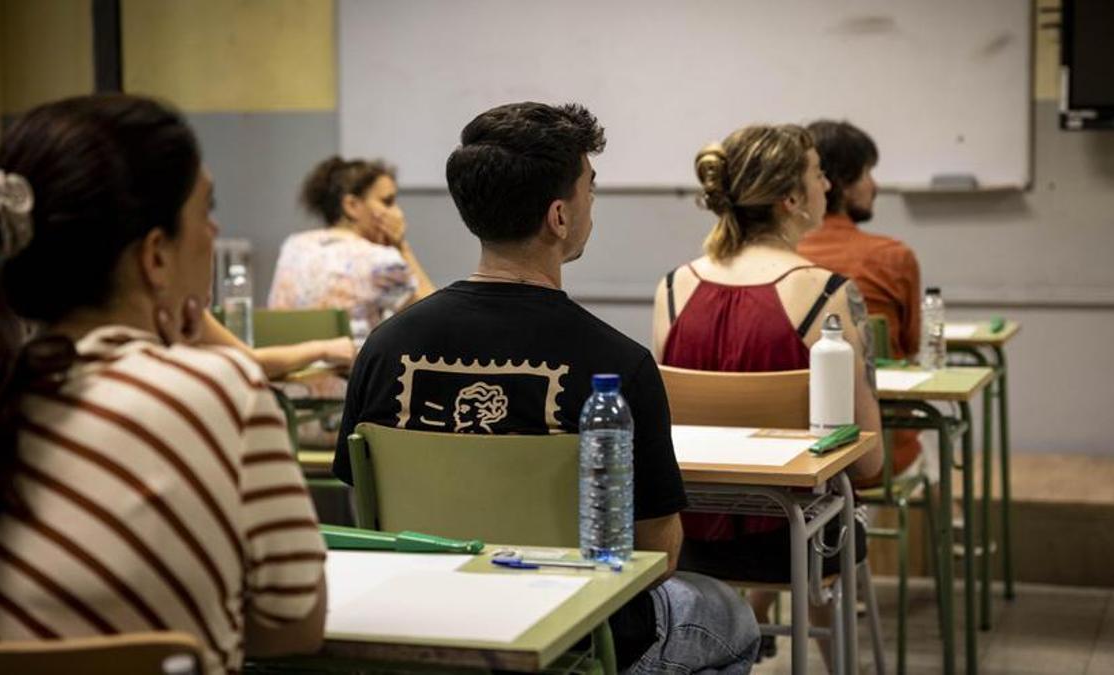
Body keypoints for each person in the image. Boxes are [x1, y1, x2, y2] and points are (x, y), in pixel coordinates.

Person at [334, 101, 759, 674]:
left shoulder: (383, 349)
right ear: (559, 217)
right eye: (590, 187)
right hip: (581, 640)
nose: (592, 204)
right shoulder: (619, 366)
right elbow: (655, 555)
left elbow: (365, 507)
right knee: (730, 617)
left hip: (427, 629)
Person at [0, 95, 326, 675]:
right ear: (155, 255)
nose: (215, 229)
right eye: (206, 210)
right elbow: (295, 624)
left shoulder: (15, 386)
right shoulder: (220, 391)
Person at [651, 124, 884, 656]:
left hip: (687, 539)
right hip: (801, 542)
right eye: (818, 174)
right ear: (791, 200)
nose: (828, 185)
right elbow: (870, 462)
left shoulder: (672, 289)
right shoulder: (829, 295)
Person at [796, 119, 922, 476]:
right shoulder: (893, 258)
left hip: (789, 459)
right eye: (867, 173)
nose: (874, 185)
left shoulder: (771, 268)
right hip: (873, 458)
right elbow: (910, 348)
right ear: (839, 182)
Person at [269, 156, 436, 336]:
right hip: (353, 354)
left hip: (295, 353)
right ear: (352, 205)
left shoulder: (294, 246)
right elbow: (435, 316)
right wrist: (401, 246)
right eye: (387, 202)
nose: (397, 213)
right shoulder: (381, 260)